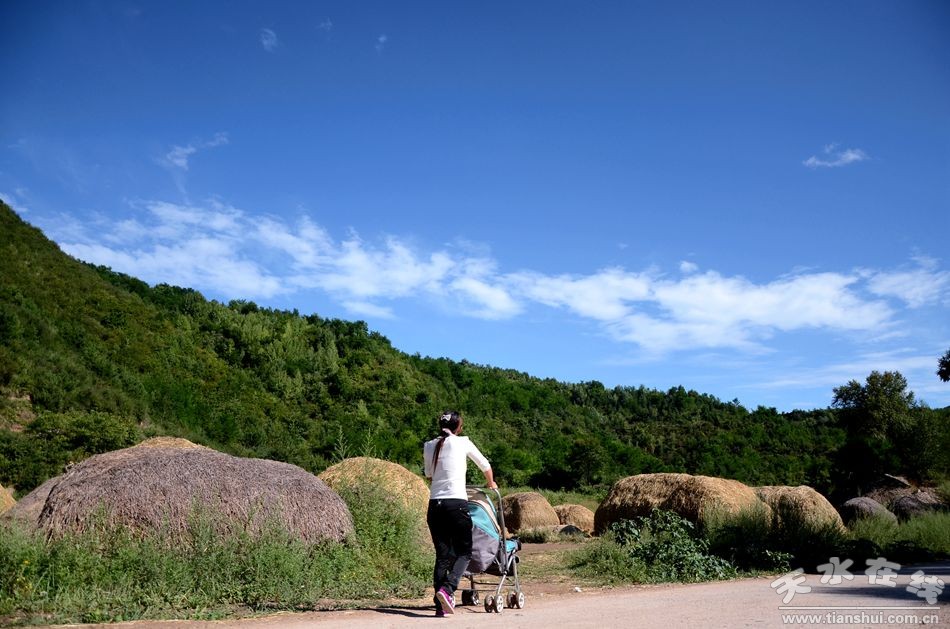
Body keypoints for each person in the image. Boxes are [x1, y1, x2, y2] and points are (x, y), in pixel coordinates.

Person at [423, 411, 496, 617]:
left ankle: (440, 607)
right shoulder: (463, 442)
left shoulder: (429, 445)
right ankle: (447, 590)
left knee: (442, 556)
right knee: (464, 552)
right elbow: (485, 465)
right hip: (456, 504)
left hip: (435, 505)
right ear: (459, 428)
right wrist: (491, 483)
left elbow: (430, 475)